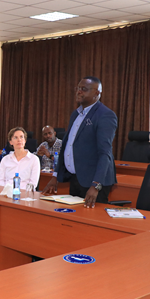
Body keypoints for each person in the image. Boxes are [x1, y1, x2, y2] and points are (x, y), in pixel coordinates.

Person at [43, 76, 117, 208]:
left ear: (97, 93)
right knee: (74, 217)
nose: (79, 91)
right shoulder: (76, 114)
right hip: (76, 178)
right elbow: (67, 146)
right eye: (78, 88)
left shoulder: (105, 115)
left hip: (93, 182)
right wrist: (55, 176)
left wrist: (96, 185)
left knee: (93, 220)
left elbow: (105, 153)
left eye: (84, 89)